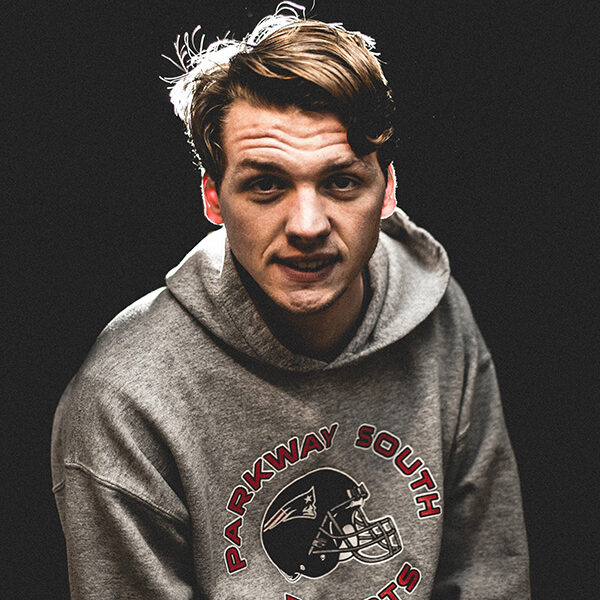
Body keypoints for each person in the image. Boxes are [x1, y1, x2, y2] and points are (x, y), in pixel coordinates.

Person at [51, 5, 530, 599]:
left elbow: (489, 576)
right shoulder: (126, 399)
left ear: (388, 191)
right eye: (266, 184)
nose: (307, 225)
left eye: (341, 182)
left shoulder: (439, 317)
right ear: (213, 198)